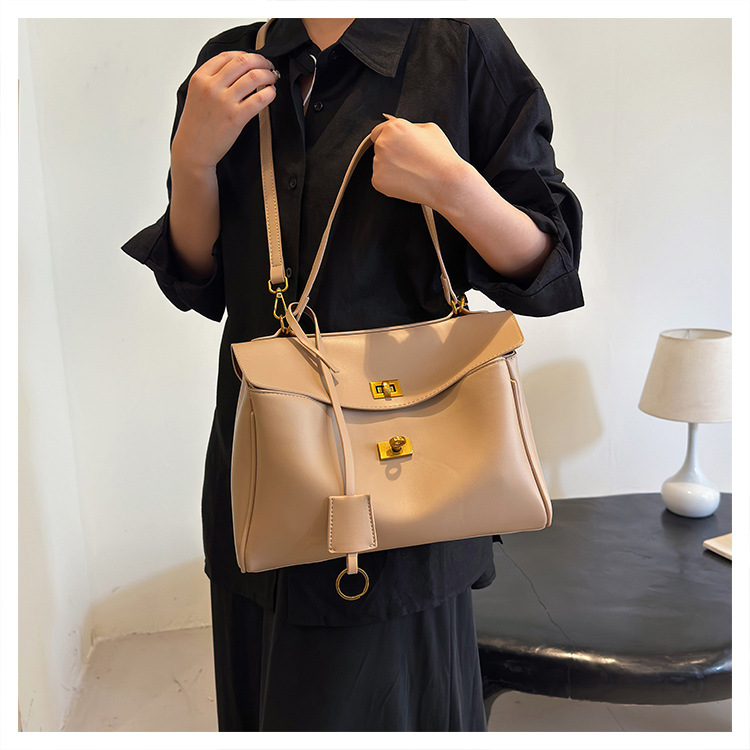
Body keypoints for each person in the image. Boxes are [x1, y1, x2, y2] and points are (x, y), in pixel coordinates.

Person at [121, 17, 584, 732]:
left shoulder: (456, 45)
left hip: (413, 499)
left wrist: (455, 187)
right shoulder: (230, 60)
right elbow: (200, 278)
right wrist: (192, 163)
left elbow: (550, 269)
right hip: (264, 472)